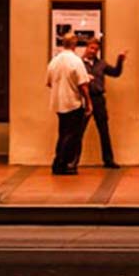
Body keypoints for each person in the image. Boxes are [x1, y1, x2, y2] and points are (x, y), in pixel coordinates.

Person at [47, 32, 92, 175]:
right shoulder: (76, 61)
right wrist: (89, 102)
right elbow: (83, 84)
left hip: (58, 103)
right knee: (72, 135)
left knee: (63, 133)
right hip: (73, 102)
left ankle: (57, 162)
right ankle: (62, 164)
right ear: (74, 45)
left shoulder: (54, 61)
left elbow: (49, 83)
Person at [82, 37, 127, 169]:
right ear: (86, 47)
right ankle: (73, 160)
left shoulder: (101, 64)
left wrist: (120, 61)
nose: (93, 51)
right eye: (91, 48)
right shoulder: (79, 63)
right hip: (85, 98)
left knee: (104, 130)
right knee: (79, 131)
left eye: (96, 49)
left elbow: (115, 73)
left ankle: (108, 160)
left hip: (98, 99)